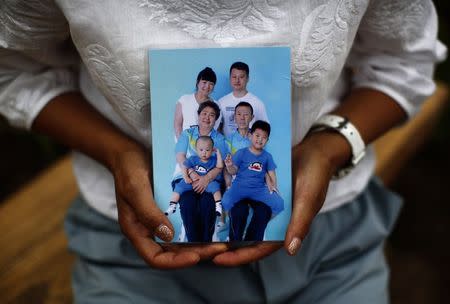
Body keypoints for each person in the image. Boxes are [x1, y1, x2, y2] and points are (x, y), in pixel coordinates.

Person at [0, 1, 446, 303]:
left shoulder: (247, 121)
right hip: (136, 248)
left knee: (244, 200)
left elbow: (402, 64)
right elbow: (16, 72)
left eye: (223, 95)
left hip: (329, 240)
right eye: (211, 94)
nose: (217, 104)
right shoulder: (189, 123)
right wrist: (122, 155)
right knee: (213, 198)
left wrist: (326, 149)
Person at [172, 101, 228, 242]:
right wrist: (192, 173)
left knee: (207, 205)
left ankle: (206, 243)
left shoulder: (219, 139)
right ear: (198, 115)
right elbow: (180, 156)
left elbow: (221, 166)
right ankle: (193, 244)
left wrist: (206, 178)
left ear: (216, 119)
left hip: (212, 181)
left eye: (212, 115)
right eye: (204, 113)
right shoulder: (188, 134)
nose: (207, 118)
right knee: (188, 204)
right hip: (186, 178)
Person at [166, 136, 223, 218]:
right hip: (192, 182)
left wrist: (218, 153)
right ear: (196, 149)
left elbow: (220, 166)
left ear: (212, 150)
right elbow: (185, 167)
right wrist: (186, 177)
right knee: (179, 186)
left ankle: (218, 205)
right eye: (201, 150)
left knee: (216, 187)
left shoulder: (213, 160)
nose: (204, 153)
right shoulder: (193, 159)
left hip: (208, 183)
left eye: (207, 150)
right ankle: (172, 205)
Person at [219, 61, 269, 137]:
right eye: (234, 77)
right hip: (228, 147)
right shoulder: (221, 102)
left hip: (249, 147)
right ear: (230, 78)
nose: (237, 80)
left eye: (241, 77)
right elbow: (217, 127)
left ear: (248, 78)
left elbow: (265, 128)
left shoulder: (257, 103)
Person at [173, 67, 220, 140]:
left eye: (211, 84)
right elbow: (177, 125)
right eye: (204, 82)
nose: (207, 86)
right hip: (185, 148)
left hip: (206, 149)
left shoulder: (216, 104)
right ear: (197, 82)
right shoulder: (184, 100)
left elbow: (214, 129)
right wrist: (182, 146)